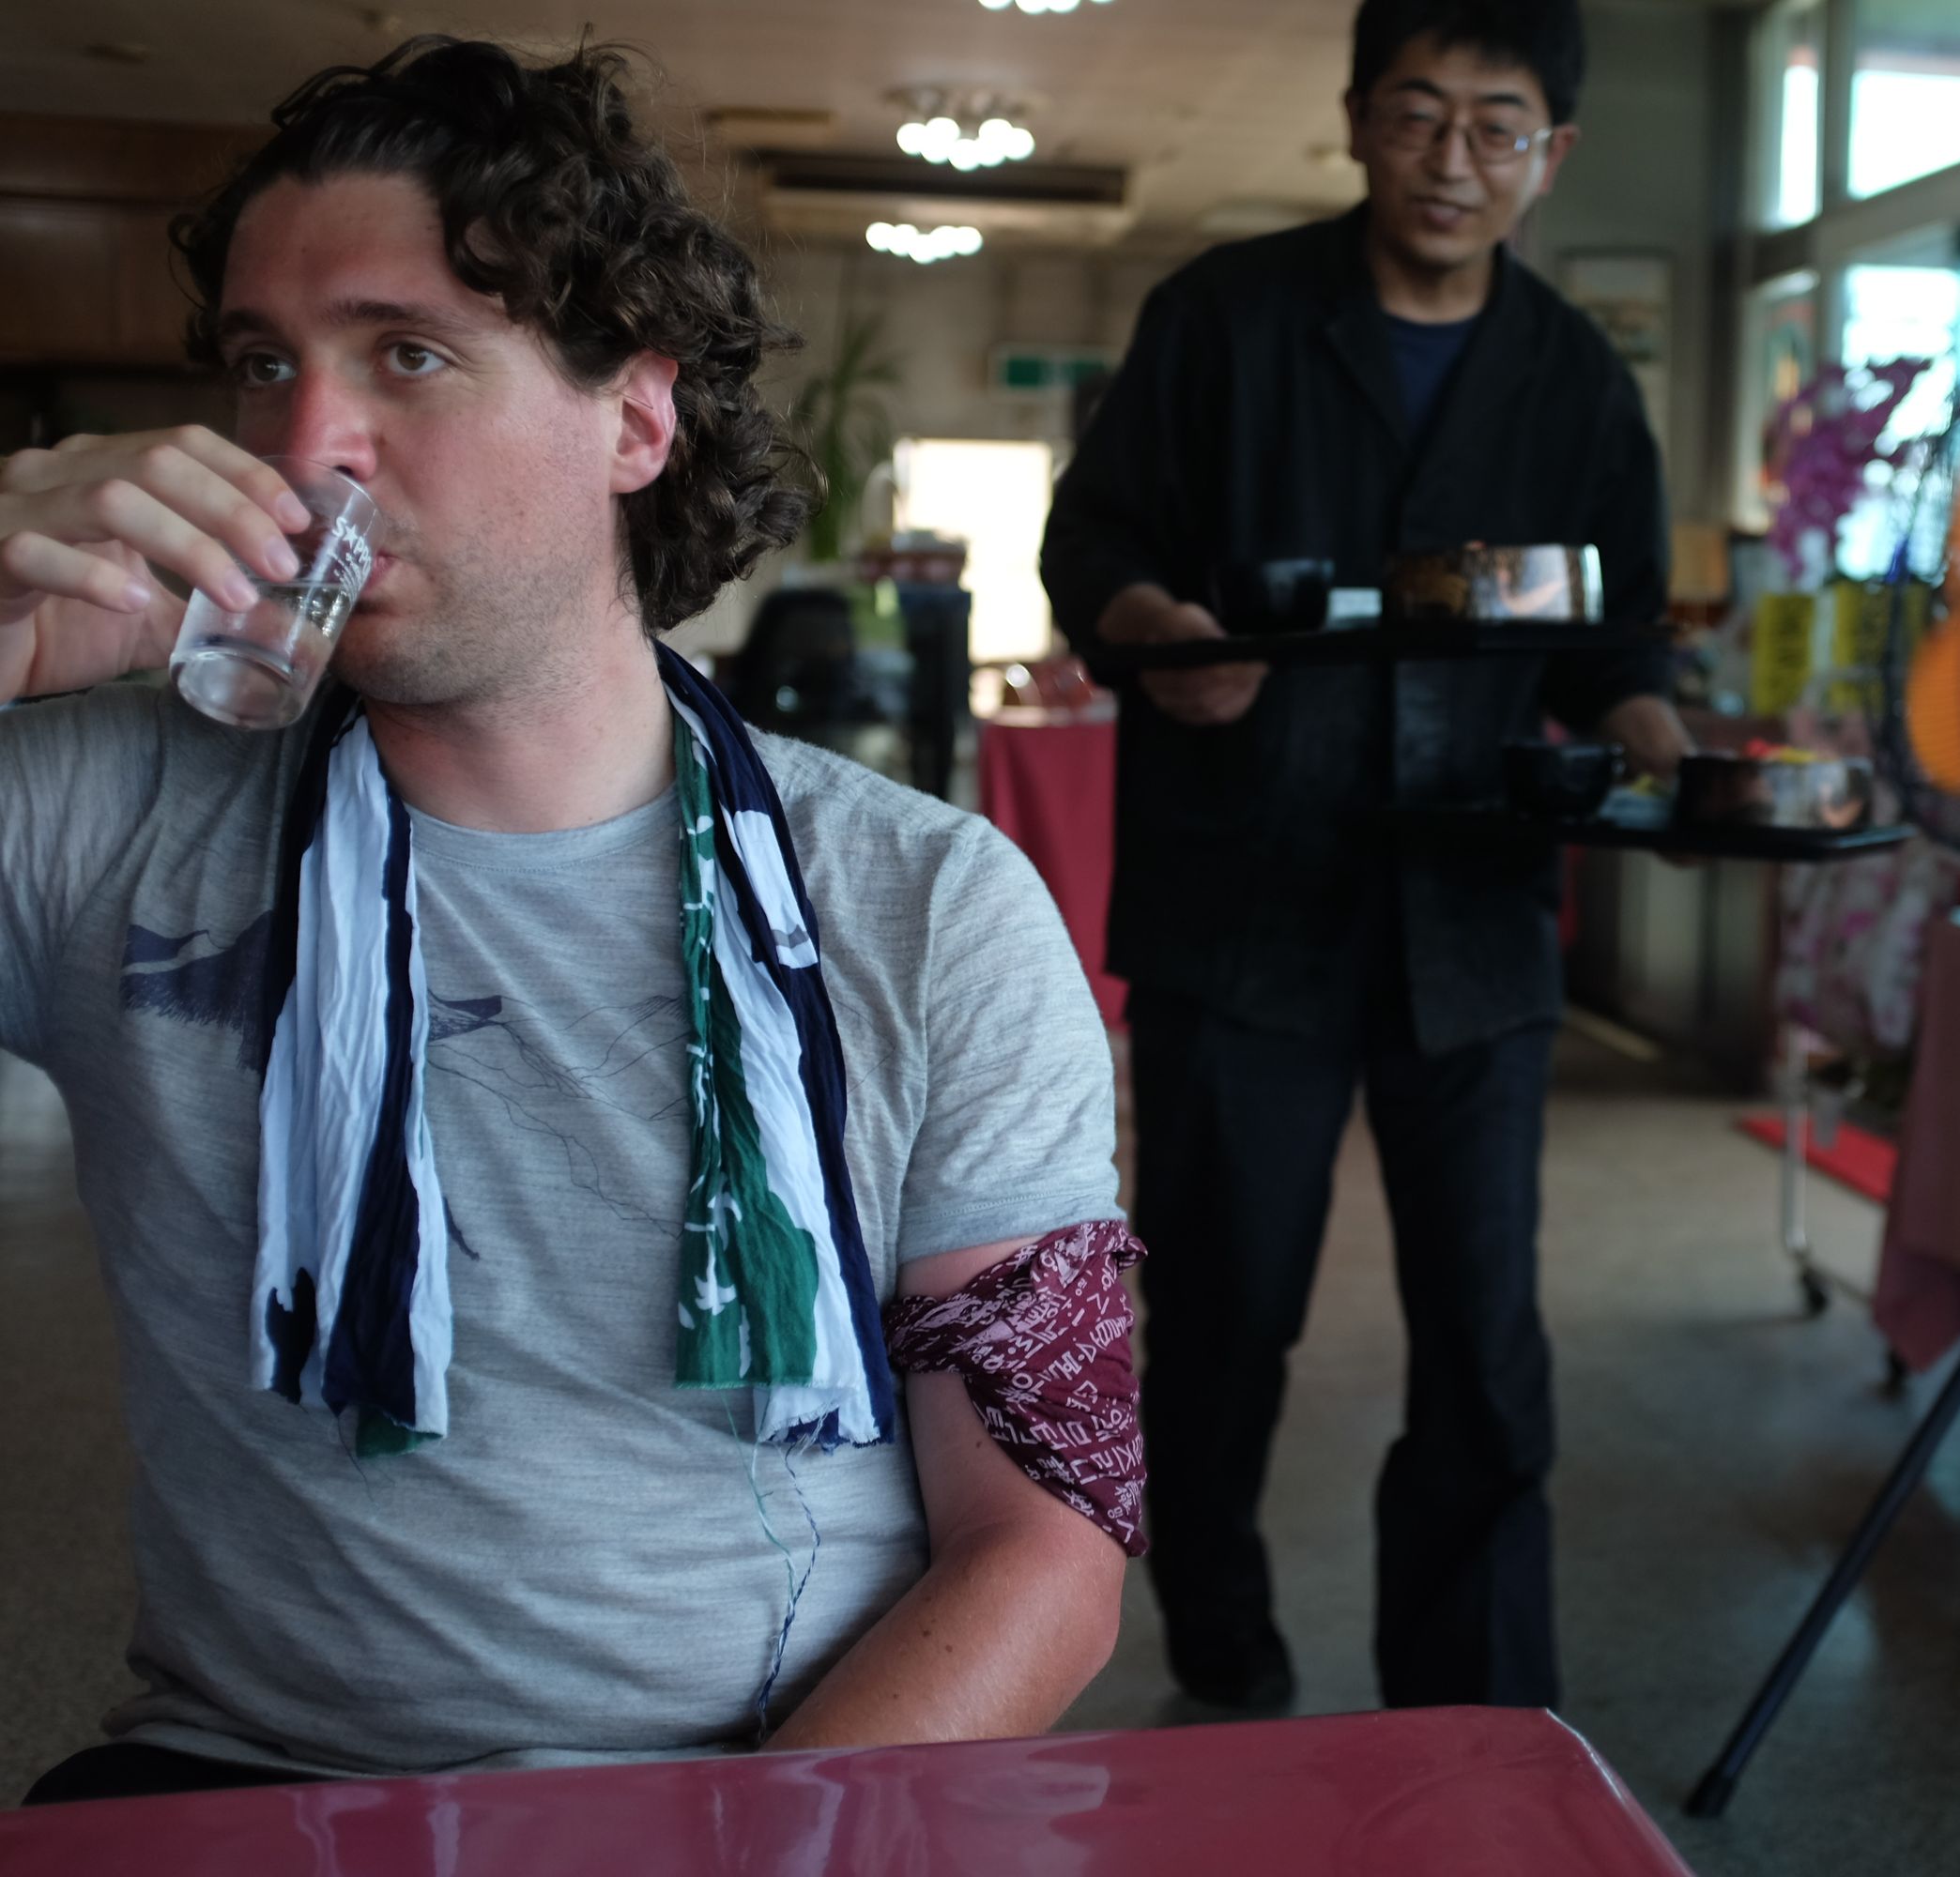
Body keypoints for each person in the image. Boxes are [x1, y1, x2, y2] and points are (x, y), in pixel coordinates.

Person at [0, 38, 1136, 1803]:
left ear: (635, 416)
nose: (311, 451)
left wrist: (732, 1854)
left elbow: (1047, 1548)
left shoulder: (926, 906)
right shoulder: (103, 810)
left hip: (775, 1788)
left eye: (411, 353)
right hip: (254, 1775)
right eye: (260, 366)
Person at [1040, 0, 1690, 1712]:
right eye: (1418, 114)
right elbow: (1090, 535)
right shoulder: (1224, 322)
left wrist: (1659, 740)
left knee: (1485, 1342)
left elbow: (1617, 635)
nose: (1454, 160)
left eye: (1498, 126)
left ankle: (1473, 1706)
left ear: (1553, 153)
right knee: (1230, 1328)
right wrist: (1153, 624)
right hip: (1243, 914)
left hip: (1474, 930)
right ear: (1354, 117)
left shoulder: (1572, 376)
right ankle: (1228, 1670)